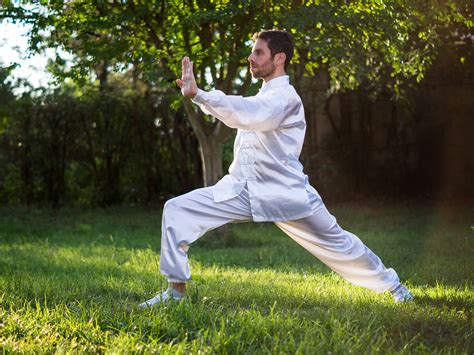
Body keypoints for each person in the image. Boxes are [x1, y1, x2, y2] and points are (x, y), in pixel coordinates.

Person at [138, 30, 413, 308]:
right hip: (242, 190)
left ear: (279, 58)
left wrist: (200, 95)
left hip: (287, 193)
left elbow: (247, 112)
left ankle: (394, 287)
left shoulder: (284, 98)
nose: (251, 58)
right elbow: (244, 112)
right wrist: (199, 97)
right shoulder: (265, 95)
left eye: (259, 52)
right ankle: (175, 293)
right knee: (177, 209)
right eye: (252, 51)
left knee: (338, 243)